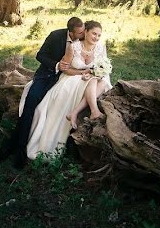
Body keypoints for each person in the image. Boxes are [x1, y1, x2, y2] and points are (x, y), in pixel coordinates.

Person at [0, 16, 85, 169]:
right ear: (71, 32)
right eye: (80, 32)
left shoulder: (83, 40)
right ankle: (17, 150)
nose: (83, 34)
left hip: (64, 82)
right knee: (29, 107)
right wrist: (56, 65)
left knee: (45, 110)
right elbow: (40, 55)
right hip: (45, 76)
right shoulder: (56, 36)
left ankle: (21, 146)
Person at [24, 20, 111, 160]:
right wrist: (83, 73)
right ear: (86, 32)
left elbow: (104, 67)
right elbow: (66, 69)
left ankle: (79, 112)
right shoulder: (74, 47)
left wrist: (94, 72)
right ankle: (92, 111)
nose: (96, 37)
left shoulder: (100, 47)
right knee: (89, 81)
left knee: (98, 80)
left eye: (99, 35)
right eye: (94, 33)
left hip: (91, 79)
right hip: (71, 77)